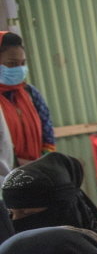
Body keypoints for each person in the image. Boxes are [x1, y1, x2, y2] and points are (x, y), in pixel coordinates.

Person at [0, 31, 55, 169]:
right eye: (11, 64)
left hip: (36, 171)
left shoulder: (30, 93)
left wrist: (43, 163)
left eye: (23, 63)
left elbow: (47, 131)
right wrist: (17, 165)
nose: (19, 69)